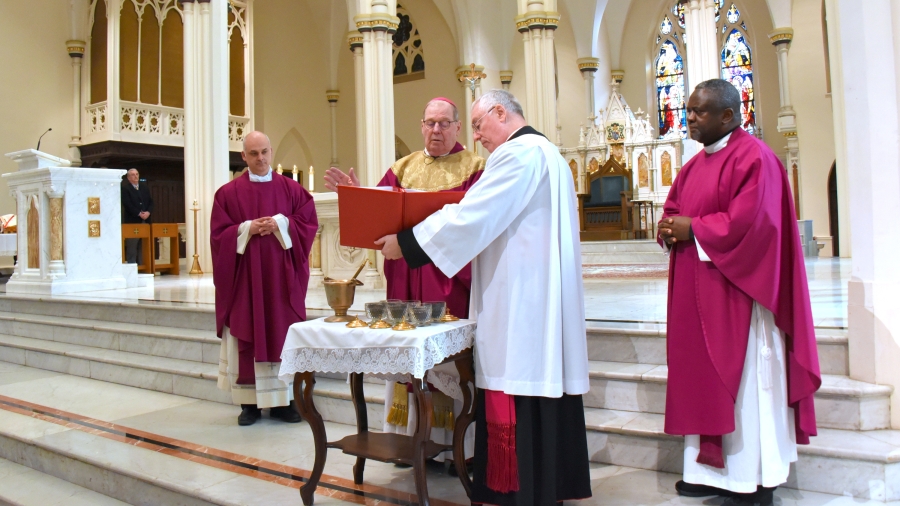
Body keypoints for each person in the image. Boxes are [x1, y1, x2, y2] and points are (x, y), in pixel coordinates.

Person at [377, 89, 592, 505]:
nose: (476, 137)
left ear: (501, 112)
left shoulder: (516, 155)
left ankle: (517, 492)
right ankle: (547, 488)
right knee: (543, 393)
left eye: (477, 125)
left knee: (517, 380)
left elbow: (472, 215)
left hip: (521, 302)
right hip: (541, 295)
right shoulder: (549, 154)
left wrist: (407, 243)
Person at [657, 79, 821, 506]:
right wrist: (670, 228)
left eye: (699, 111)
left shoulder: (757, 159)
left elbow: (756, 225)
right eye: (689, 110)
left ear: (728, 115)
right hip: (697, 295)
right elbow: (673, 210)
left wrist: (693, 228)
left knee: (746, 383)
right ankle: (707, 470)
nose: (689, 118)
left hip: (739, 297)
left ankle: (754, 477)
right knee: (701, 381)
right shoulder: (694, 165)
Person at [324, 97, 484, 461]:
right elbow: (377, 215)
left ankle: (451, 449)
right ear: (422, 126)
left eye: (444, 123)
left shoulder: (476, 167)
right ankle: (406, 441)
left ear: (458, 127)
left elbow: (473, 226)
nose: (436, 130)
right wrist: (358, 194)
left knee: (444, 356)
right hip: (406, 279)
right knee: (405, 350)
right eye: (429, 123)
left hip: (446, 279)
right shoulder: (403, 166)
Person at [210, 131, 318, 426]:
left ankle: (284, 402)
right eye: (253, 153)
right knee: (249, 329)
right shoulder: (228, 194)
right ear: (243, 156)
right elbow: (219, 235)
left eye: (264, 152)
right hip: (246, 282)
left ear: (271, 152)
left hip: (281, 282)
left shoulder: (291, 189)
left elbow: (308, 221)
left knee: (281, 332)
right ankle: (249, 404)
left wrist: (281, 223)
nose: (260, 159)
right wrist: (245, 229)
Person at [121, 168, 153, 264]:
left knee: (143, 245)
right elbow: (127, 204)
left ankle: (143, 266)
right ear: (128, 177)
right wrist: (139, 213)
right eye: (133, 175)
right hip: (133, 221)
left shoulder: (144, 187)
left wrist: (148, 212)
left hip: (145, 220)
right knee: (132, 245)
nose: (135, 176)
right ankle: (132, 266)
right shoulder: (125, 188)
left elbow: (150, 201)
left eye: (137, 174)